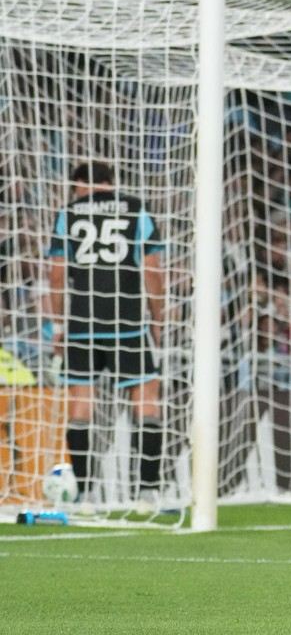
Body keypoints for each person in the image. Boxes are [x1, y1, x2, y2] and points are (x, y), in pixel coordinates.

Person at [47, 162, 166, 507]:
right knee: (146, 400)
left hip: (82, 322)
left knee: (81, 404)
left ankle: (85, 492)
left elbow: (56, 275)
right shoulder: (135, 208)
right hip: (127, 320)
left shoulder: (68, 214)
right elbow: (152, 269)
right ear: (110, 183)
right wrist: (157, 318)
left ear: (81, 184)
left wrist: (58, 325)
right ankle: (147, 492)